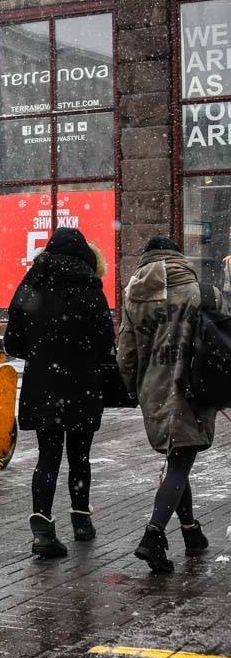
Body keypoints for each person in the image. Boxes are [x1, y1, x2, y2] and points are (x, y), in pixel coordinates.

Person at [3, 227, 114, 559]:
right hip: (82, 384)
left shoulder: (31, 285)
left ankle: (42, 532)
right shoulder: (92, 288)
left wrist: (41, 352)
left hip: (43, 384)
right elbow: (106, 342)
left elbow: (12, 342)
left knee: (47, 459)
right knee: (80, 456)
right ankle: (81, 521)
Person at [117, 235, 217, 573]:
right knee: (179, 463)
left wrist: (134, 390)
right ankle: (153, 537)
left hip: (154, 390)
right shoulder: (203, 293)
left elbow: (126, 353)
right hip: (194, 389)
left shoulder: (134, 297)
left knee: (178, 459)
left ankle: (191, 532)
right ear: (178, 257)